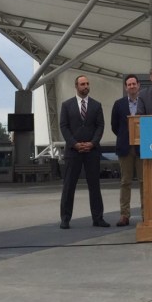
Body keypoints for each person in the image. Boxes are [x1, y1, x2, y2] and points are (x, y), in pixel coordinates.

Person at [58, 75, 110, 229]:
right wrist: (74, 144)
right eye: (82, 84)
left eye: (87, 83)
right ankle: (65, 219)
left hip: (91, 151)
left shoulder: (96, 105)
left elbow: (100, 126)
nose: (86, 86)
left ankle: (98, 218)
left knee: (94, 186)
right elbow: (63, 126)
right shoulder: (66, 105)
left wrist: (92, 143)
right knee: (69, 186)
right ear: (76, 86)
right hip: (73, 152)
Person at [111, 74, 142, 227]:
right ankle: (124, 215)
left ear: (138, 85)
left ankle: (147, 213)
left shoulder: (145, 102)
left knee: (144, 182)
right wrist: (126, 136)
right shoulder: (118, 104)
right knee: (125, 182)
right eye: (129, 84)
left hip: (143, 147)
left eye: (133, 84)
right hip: (125, 147)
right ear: (125, 87)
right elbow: (114, 126)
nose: (131, 86)